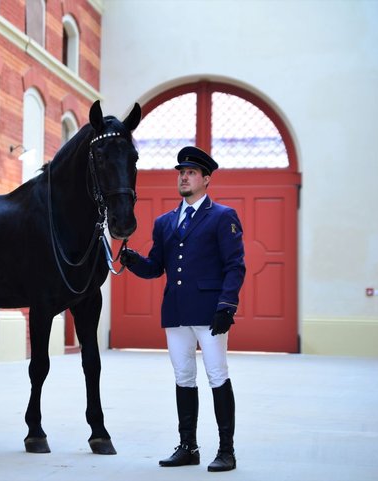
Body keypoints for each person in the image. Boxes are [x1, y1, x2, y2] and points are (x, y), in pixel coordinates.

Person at [120, 146, 245, 472]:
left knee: (217, 376)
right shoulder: (165, 222)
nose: (184, 177)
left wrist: (227, 306)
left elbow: (235, 266)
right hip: (176, 312)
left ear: (206, 179)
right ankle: (188, 446)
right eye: (181, 173)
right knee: (184, 377)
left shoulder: (222, 216)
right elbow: (156, 267)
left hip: (209, 312)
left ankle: (227, 451)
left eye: (190, 173)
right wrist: (133, 262)